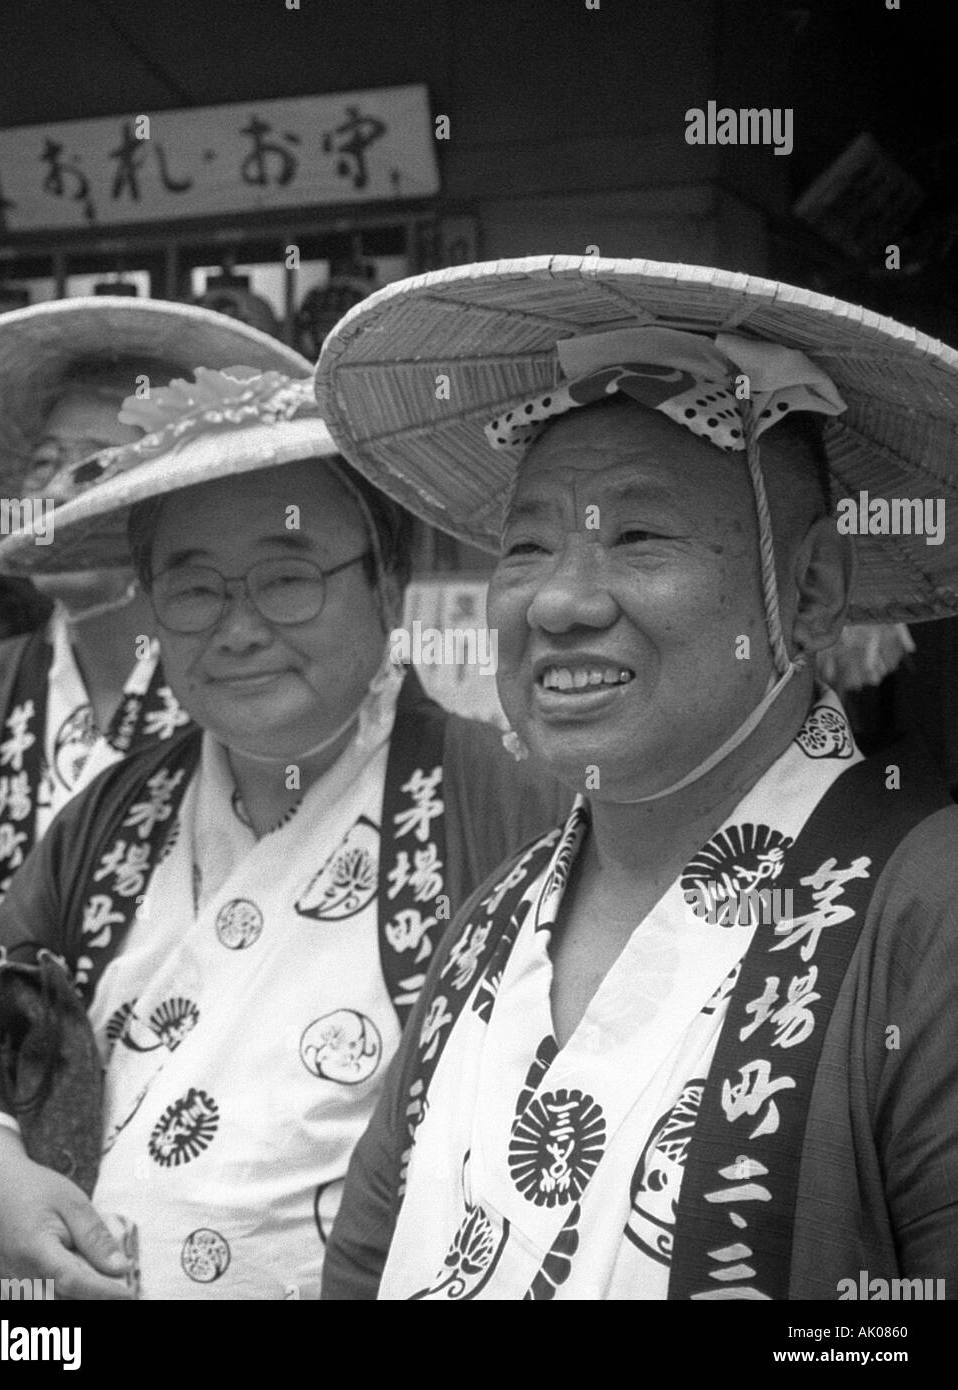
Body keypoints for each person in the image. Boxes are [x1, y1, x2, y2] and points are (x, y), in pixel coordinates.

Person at [314, 254, 958, 1300]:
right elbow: (361, 1266)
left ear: (808, 589)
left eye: (638, 534)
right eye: (526, 546)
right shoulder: (491, 923)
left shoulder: (926, 918)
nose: (558, 602)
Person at [0, 364, 567, 1300]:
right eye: (193, 591)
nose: (237, 630)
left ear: (389, 583)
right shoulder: (107, 821)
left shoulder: (513, 804)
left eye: (288, 577)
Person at [0, 297, 300, 987]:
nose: (55, 489)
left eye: (94, 463)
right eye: (43, 461)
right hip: (4, 1062)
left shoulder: (245, 676)